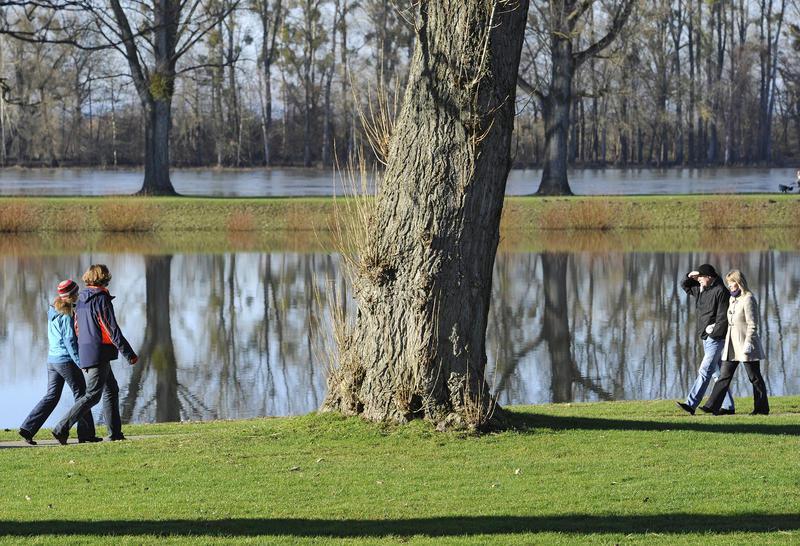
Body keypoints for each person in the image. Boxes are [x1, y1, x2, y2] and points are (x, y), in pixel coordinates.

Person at [51, 265, 138, 444]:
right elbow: (111, 329)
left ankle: (115, 433)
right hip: (98, 352)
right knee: (92, 395)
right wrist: (129, 353)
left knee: (111, 390)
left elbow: (77, 328)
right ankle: (61, 428)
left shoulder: (82, 298)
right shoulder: (100, 299)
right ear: (104, 278)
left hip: (88, 351)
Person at [18, 280, 101, 445]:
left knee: (52, 396)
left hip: (52, 360)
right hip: (66, 360)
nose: (78, 295)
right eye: (76, 293)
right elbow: (69, 340)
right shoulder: (66, 314)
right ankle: (86, 434)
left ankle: (28, 428)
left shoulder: (52, 310)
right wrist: (80, 363)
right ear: (71, 296)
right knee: (82, 395)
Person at [700, 270, 769, 415]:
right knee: (724, 376)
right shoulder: (732, 299)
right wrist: (714, 326)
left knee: (754, 378)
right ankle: (712, 406)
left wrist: (749, 343)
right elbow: (729, 319)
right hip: (731, 346)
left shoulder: (748, 298)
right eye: (728, 284)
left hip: (746, 346)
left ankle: (761, 409)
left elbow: (752, 324)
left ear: (739, 283)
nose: (729, 286)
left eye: (731, 283)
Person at [676, 263, 735, 415]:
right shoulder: (701, 289)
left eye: (701, 277)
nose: (699, 280)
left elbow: (723, 318)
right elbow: (684, 285)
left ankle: (691, 404)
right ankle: (728, 407)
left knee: (704, 370)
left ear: (709, 277)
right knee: (717, 373)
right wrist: (690, 275)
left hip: (716, 339)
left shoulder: (721, 291)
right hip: (705, 338)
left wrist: (713, 334)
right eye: (698, 278)